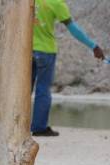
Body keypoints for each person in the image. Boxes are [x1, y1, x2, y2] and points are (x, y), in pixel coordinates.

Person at [31, 0, 105, 137]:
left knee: (22, 90)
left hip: (25, 50)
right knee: (43, 89)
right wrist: (93, 46)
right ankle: (39, 127)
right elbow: (73, 29)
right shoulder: (57, 3)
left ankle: (16, 124)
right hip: (46, 51)